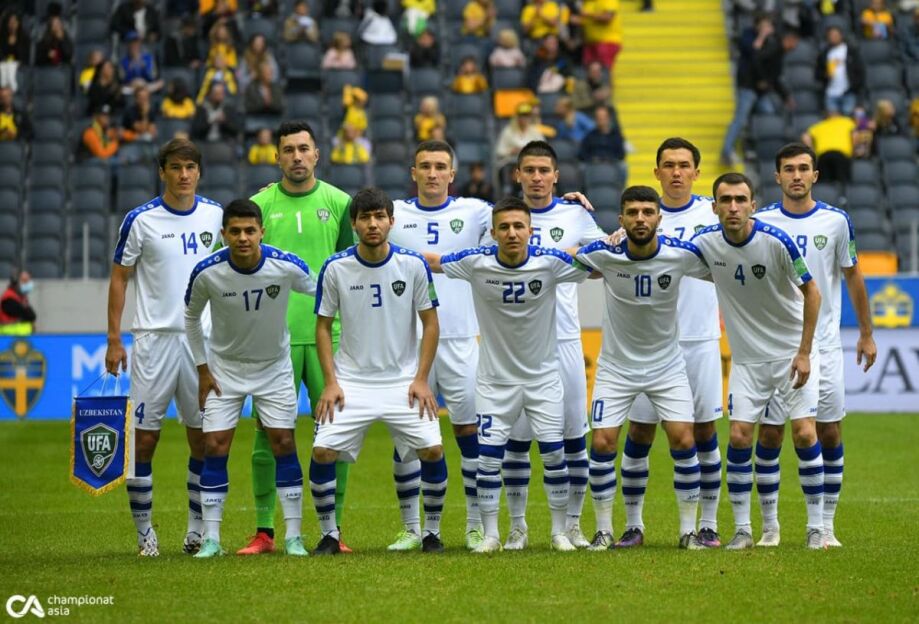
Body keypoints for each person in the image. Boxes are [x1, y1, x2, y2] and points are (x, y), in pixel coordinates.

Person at [424, 197, 593, 553]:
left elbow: (596, 265)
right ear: (493, 232)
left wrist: (617, 238)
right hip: (494, 383)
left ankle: (559, 533)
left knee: (554, 456)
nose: (512, 233)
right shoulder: (475, 263)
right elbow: (434, 261)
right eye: (504, 227)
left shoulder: (550, 263)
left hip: (543, 381)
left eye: (519, 226)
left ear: (531, 230)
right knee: (488, 460)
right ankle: (493, 535)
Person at [690, 172, 825, 550]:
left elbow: (813, 293)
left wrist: (804, 352)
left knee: (804, 433)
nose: (733, 207)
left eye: (740, 200)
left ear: (753, 205)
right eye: (726, 200)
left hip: (791, 356)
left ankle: (816, 528)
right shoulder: (705, 243)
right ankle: (747, 530)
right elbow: (661, 251)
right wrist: (618, 238)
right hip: (748, 362)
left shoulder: (776, 241)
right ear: (714, 207)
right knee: (739, 436)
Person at [574, 185, 711, 550]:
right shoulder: (604, 254)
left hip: (667, 367)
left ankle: (688, 532)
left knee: (684, 439)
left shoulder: (680, 255)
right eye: (632, 213)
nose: (640, 219)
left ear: (658, 219)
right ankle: (604, 530)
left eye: (647, 212)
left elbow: (724, 268)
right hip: (616, 369)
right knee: (602, 442)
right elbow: (560, 260)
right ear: (621, 219)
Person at [309, 187, 445, 555]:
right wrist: (331, 382)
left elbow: (431, 323)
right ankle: (329, 535)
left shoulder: (412, 264)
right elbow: (323, 327)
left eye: (379, 217)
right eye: (365, 218)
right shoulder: (335, 267)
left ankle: (431, 533)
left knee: (433, 449)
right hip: (351, 382)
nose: (373, 224)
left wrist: (421, 378)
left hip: (403, 381)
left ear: (391, 221)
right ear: (353, 224)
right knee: (322, 452)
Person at [105, 138, 224, 557]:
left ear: (199, 171)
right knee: (144, 441)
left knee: (204, 440)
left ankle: (196, 531)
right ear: (162, 172)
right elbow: (119, 277)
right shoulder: (140, 220)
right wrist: (114, 338)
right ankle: (145, 535)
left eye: (190, 167)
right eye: (176, 167)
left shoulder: (216, 216)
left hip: (201, 345)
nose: (184, 175)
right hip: (154, 341)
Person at [241, 120, 355, 555]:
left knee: (335, 435)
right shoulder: (259, 206)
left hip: (330, 336)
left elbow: (350, 265)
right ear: (277, 157)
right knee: (267, 434)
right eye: (288, 150)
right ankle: (264, 531)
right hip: (273, 341)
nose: (297, 157)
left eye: (304, 148)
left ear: (317, 154)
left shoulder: (340, 203)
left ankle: (332, 530)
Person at [754, 142, 876, 548]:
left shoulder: (836, 221)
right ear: (777, 177)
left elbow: (853, 275)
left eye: (803, 168)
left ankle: (823, 526)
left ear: (815, 175)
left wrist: (866, 332)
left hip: (824, 344)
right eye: (789, 169)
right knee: (771, 435)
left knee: (828, 432)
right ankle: (770, 528)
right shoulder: (761, 221)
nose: (796, 175)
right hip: (776, 346)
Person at [608, 139, 724, 550]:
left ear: (697, 172)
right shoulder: (639, 219)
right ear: (656, 172)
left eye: (684, 165)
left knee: (703, 431)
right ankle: (633, 525)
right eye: (669, 165)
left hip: (700, 338)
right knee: (640, 431)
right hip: (648, 347)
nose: (677, 172)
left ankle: (707, 524)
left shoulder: (714, 213)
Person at [185, 199, 317, 558]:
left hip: (273, 368)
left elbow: (324, 290)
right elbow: (191, 318)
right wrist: (202, 369)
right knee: (215, 446)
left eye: (250, 230)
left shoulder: (286, 265)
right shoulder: (207, 272)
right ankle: (211, 540)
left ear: (262, 232)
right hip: (224, 370)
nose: (243, 238)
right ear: (223, 234)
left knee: (283, 443)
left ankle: (293, 537)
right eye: (235, 231)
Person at [498, 141, 606, 551]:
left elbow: (604, 261)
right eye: (529, 170)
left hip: (563, 341)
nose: (537, 177)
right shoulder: (503, 216)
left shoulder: (575, 215)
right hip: (516, 346)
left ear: (556, 176)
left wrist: (578, 253)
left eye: (544, 170)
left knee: (574, 439)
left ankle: (573, 525)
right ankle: (518, 527)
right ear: (518, 175)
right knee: (517, 443)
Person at [385, 141, 493, 551]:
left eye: (440, 166)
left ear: (453, 173)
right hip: (408, 343)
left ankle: (475, 526)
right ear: (413, 172)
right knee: (408, 438)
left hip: (461, 338)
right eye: (425, 166)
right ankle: (413, 529)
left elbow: (527, 212)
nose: (432, 173)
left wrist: (570, 201)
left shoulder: (476, 211)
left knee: (469, 432)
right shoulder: (394, 213)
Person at [816, 26, 864, 117]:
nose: (833, 37)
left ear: (841, 36)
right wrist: (825, 75)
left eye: (836, 35)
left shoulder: (851, 52)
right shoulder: (824, 54)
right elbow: (817, 74)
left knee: (848, 121)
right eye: (831, 36)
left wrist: (855, 88)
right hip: (831, 93)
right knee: (833, 123)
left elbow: (860, 71)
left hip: (848, 93)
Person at [801, 110, 856, 184]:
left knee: (825, 184)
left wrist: (813, 151)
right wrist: (853, 150)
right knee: (843, 183)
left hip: (823, 156)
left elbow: (805, 137)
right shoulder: (846, 121)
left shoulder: (819, 125)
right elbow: (855, 136)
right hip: (841, 155)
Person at [572, 0, 621, 70]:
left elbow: (608, 17)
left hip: (607, 41)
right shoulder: (588, 3)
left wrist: (589, 15)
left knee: (603, 70)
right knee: (589, 70)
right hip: (589, 42)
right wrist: (577, 21)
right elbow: (588, 21)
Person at [0, 270, 36, 335]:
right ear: (15, 283)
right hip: (10, 337)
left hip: (22, 337)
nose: (28, 284)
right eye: (24, 281)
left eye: (29, 281)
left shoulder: (21, 297)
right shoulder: (9, 298)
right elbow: (30, 316)